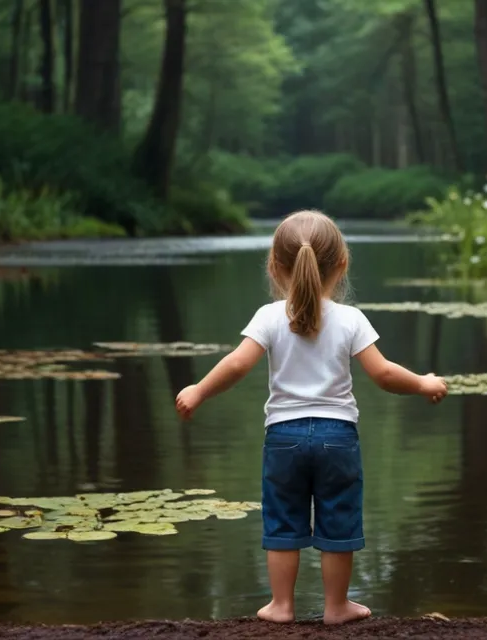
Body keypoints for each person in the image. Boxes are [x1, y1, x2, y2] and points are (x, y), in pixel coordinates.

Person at [175, 210, 448, 625]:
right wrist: (424, 383)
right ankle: (337, 607)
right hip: (337, 437)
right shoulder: (350, 319)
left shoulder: (269, 316)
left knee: (283, 519)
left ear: (274, 265)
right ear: (342, 263)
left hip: (283, 437)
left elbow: (235, 365)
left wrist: (198, 390)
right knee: (339, 518)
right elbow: (384, 374)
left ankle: (281, 606)